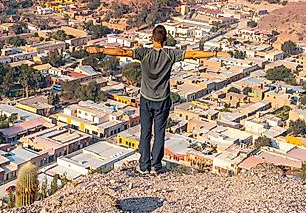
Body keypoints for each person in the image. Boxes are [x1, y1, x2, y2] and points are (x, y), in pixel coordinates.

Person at [86, 24, 227, 173]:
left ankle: (144, 165)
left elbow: (122, 52)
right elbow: (193, 55)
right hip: (163, 100)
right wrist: (215, 54)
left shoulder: (144, 53)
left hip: (146, 99)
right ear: (165, 39)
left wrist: (100, 50)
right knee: (159, 132)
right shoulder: (170, 54)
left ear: (152, 38)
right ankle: (156, 165)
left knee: (145, 131)